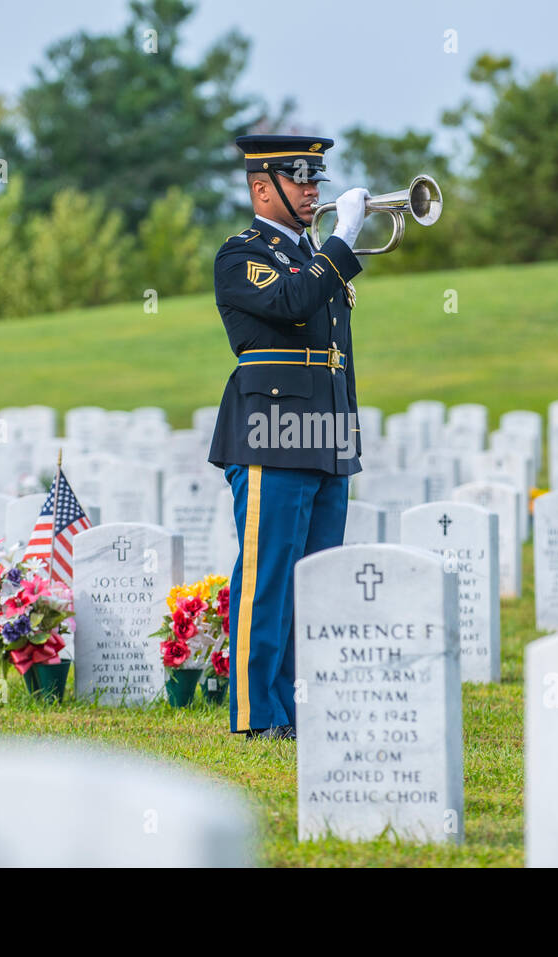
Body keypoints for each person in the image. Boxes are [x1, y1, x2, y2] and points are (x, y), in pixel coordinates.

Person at [208, 134, 370, 740]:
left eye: (315, 181)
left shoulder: (312, 255)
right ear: (261, 188)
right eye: (299, 180)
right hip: (271, 431)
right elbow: (294, 301)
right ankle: (257, 714)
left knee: (316, 581)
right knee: (268, 575)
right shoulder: (242, 254)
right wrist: (342, 239)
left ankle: (299, 711)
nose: (312, 192)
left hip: (326, 430)